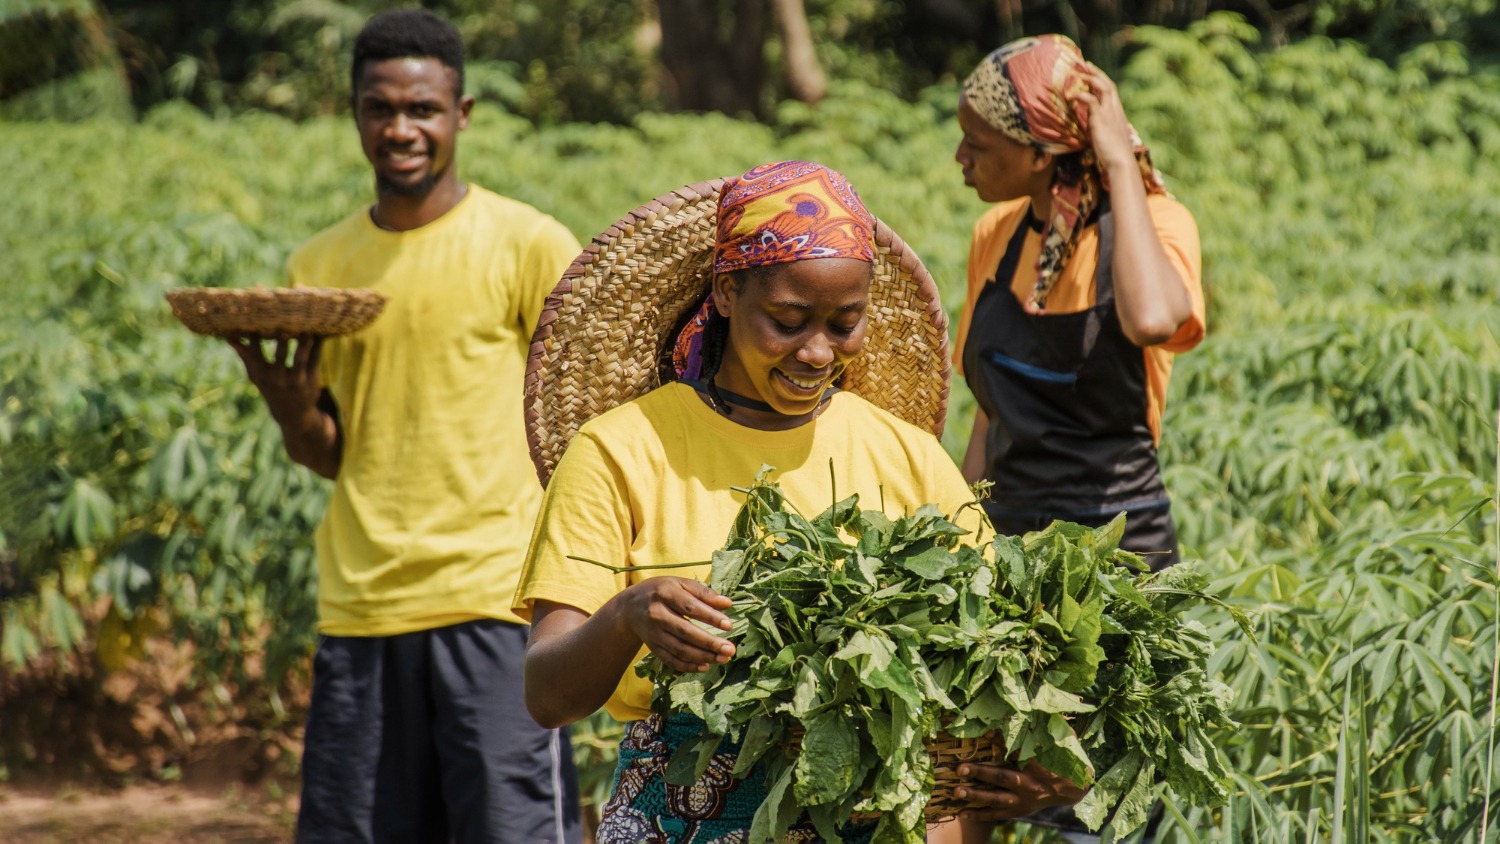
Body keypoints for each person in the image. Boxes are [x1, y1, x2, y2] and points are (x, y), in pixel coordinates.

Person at [513, 160, 1083, 842]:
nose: (817, 352)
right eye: (787, 319)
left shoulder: (903, 455)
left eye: (846, 322)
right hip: (680, 814)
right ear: (726, 293)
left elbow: (994, 656)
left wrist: (1042, 773)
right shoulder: (621, 450)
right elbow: (547, 694)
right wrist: (626, 617)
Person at [227, 9, 582, 843]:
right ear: (353, 114)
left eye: (422, 109)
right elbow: (332, 452)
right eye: (380, 109)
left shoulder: (525, 244)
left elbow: (583, 421)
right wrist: (287, 406)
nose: (401, 129)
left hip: (495, 603)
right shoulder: (319, 270)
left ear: (461, 115)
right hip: (362, 608)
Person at [939, 34, 1207, 844]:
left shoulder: (1155, 224)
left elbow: (1154, 319)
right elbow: (989, 410)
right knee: (969, 785)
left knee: (1098, 809)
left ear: (1040, 153)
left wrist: (1119, 162)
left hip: (1117, 560)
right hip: (1008, 550)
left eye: (978, 145)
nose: (960, 159)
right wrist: (955, 539)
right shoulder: (998, 237)